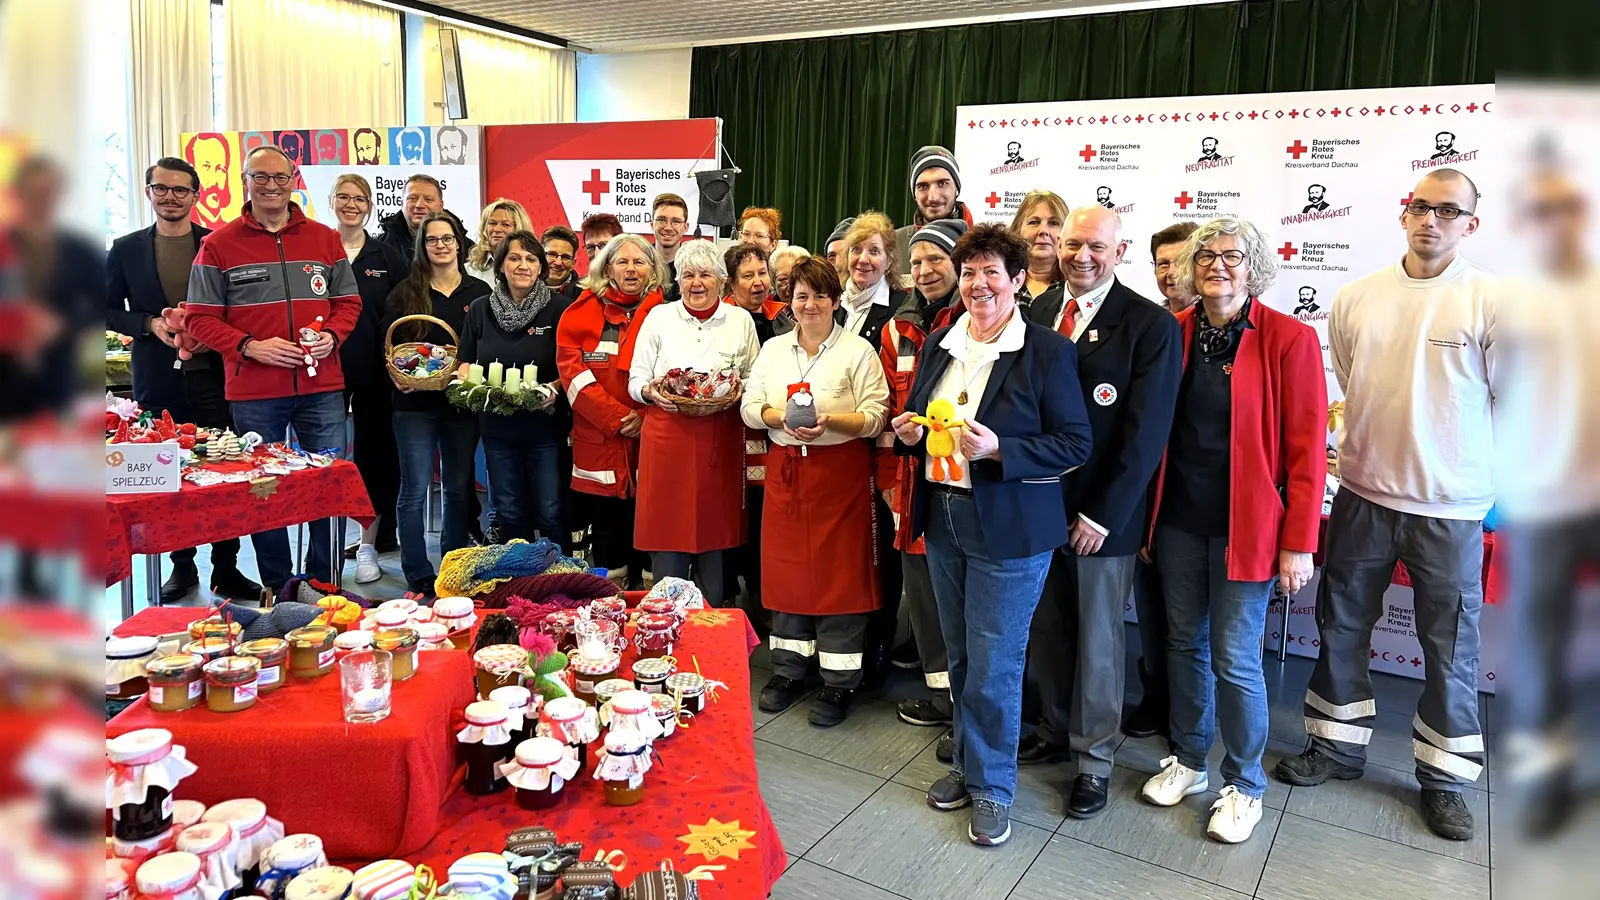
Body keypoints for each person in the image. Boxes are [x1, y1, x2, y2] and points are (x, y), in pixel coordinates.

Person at [1279, 168, 1495, 842]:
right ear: (1404, 214)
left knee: (1450, 646)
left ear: (1471, 224)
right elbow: (1352, 379)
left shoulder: (1493, 302)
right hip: (1364, 494)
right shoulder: (1357, 297)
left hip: (1450, 508)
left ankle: (1444, 779)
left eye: (1448, 210)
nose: (1431, 219)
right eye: (1420, 207)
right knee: (1342, 625)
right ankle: (1336, 748)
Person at [891, 223, 1092, 846]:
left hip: (1011, 526)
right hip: (945, 514)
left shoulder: (1046, 351)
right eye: (970, 273)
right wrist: (911, 433)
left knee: (996, 661)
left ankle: (993, 788)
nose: (979, 284)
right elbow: (928, 422)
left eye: (992, 273)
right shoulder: (942, 343)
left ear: (1016, 280)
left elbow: (1075, 443)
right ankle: (967, 760)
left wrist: (1001, 448)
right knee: (961, 654)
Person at [1139, 216, 1326, 844]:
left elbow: (1308, 451)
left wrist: (1298, 542)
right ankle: (1190, 759)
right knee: (1182, 644)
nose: (1217, 265)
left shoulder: (1289, 339)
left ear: (1254, 267)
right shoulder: (1172, 333)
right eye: (1206, 256)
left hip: (1249, 528)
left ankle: (1245, 784)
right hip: (1177, 520)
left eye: (1232, 256)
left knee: (1236, 656)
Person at [1020, 206, 1183, 821]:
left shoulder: (1148, 325)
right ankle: (1054, 727)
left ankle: (1093, 759)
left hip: (1100, 516)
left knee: (1098, 640)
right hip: (1035, 506)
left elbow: (1145, 437)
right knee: (1049, 627)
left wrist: (1102, 515)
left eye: (1095, 246)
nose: (1081, 256)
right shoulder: (1034, 310)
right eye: (1072, 244)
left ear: (1120, 251)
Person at [185, 145, 361, 592]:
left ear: (293, 182)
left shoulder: (325, 239)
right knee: (263, 489)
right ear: (245, 181)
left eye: (280, 177)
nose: (270, 186)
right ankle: (280, 587)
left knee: (327, 485)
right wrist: (250, 347)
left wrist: (332, 336)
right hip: (255, 392)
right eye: (260, 177)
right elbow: (199, 319)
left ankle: (325, 582)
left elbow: (348, 303)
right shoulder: (217, 245)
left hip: (322, 389)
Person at [106, 157, 260, 603]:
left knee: (225, 472)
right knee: (168, 475)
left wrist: (217, 336)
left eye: (180, 190)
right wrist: (149, 323)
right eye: (161, 188)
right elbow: (103, 307)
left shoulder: (218, 243)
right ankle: (181, 565)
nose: (170, 197)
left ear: (195, 195)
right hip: (158, 380)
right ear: (149, 192)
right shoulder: (126, 248)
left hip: (216, 377)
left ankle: (226, 568)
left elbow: (241, 306)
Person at [744, 256, 889, 726]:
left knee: (840, 577)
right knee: (786, 573)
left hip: (841, 476)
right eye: (801, 296)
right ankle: (788, 670)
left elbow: (876, 417)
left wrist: (831, 422)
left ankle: (839, 680)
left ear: (835, 300)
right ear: (789, 301)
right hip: (787, 472)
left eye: (820, 296)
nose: (810, 304)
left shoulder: (857, 352)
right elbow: (749, 406)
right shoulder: (773, 350)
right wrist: (778, 418)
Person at [877, 219, 966, 762]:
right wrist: (890, 482)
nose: (926, 270)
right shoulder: (896, 330)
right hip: (911, 487)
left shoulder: (979, 319)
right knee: (925, 600)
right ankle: (942, 696)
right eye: (917, 262)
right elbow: (890, 415)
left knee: (965, 603)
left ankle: (969, 707)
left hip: (966, 488)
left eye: (937, 259)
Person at [629, 240, 761, 604]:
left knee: (714, 537)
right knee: (666, 535)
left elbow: (755, 377)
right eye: (688, 275)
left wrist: (739, 389)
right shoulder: (659, 318)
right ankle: (664, 614)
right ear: (678, 280)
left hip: (720, 438)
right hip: (666, 439)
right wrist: (650, 391)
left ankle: (712, 616)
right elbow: (636, 380)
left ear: (721, 280)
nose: (696, 283)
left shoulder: (740, 321)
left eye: (705, 274)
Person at [1119, 219, 1201, 742]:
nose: (1170, 273)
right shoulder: (1147, 325)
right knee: (1150, 607)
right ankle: (1155, 694)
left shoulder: (1218, 331)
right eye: (1161, 263)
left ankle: (1190, 711)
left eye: (1180, 261)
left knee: (1193, 622)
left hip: (1194, 499)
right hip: (1145, 496)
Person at [379, 213, 488, 595]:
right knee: (414, 490)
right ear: (421, 247)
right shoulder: (406, 292)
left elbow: (485, 346)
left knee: (458, 490)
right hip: (413, 406)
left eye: (447, 238)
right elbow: (387, 344)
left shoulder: (478, 292)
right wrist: (395, 373)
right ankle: (418, 572)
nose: (440, 245)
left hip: (460, 406)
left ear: (459, 243)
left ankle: (452, 566)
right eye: (432, 240)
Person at [557, 232, 668, 588]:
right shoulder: (578, 315)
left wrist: (645, 417)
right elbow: (574, 377)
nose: (631, 269)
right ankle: (611, 600)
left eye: (639, 262)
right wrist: (618, 418)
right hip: (600, 441)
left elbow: (678, 374)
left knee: (652, 523)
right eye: (622, 261)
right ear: (607, 268)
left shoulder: (669, 315)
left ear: (653, 269)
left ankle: (652, 604)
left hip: (652, 438)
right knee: (605, 526)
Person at [460, 230, 573, 547]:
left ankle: (560, 572)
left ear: (540, 267)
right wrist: (471, 386)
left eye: (531, 259)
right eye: (514, 258)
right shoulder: (480, 309)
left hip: (545, 430)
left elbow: (572, 365)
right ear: (501, 265)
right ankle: (518, 573)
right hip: (497, 429)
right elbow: (465, 361)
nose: (523, 265)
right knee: (509, 512)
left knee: (551, 510)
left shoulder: (561, 309)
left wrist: (554, 388)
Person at [838, 211, 911, 683]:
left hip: (878, 451)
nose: (863, 259)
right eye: (857, 250)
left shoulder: (901, 310)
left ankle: (878, 645)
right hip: (833, 450)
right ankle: (840, 644)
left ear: (890, 260)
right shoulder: (830, 304)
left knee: (880, 552)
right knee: (844, 553)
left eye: (875, 251)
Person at [329, 173, 408, 581]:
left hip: (376, 375)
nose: (351, 205)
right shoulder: (317, 249)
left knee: (374, 459)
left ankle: (368, 546)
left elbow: (404, 316)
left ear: (370, 206)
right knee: (325, 460)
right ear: (331, 201)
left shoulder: (387, 256)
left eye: (359, 198)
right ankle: (323, 550)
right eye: (343, 196)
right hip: (324, 372)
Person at [721, 243, 787, 610]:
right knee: (730, 514)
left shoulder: (784, 318)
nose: (758, 282)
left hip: (772, 436)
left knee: (765, 517)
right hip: (729, 434)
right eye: (748, 276)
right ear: (731, 284)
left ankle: (764, 595)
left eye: (763, 273)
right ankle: (726, 593)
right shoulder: (721, 321)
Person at [894, 145, 974, 273]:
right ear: (914, 194)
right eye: (923, 186)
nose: (933, 197)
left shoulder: (984, 243)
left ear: (957, 188)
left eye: (942, 184)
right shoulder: (894, 244)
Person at [377, 174, 474, 264]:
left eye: (428, 199)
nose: (419, 205)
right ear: (402, 204)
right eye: (412, 198)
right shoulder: (382, 246)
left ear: (441, 206)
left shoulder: (468, 248)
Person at [1010, 190, 1069, 308]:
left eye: (1053, 223)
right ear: (1017, 230)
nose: (1043, 230)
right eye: (1034, 222)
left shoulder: (1076, 287)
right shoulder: (1001, 281)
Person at [466, 198, 532, 286]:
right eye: (492, 223)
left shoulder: (532, 267)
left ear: (519, 229)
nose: (497, 229)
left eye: (506, 224)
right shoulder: (470, 269)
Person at [1151, 221, 1201, 314]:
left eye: (1182, 262)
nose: (1171, 272)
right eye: (1163, 264)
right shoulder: (1148, 317)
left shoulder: (1217, 318)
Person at [651, 194, 690, 302]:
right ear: (652, 224)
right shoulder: (639, 262)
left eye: (676, 221)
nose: (668, 227)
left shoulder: (694, 265)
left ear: (685, 227)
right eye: (661, 220)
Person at [541, 225, 582, 301]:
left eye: (566, 257)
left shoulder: (583, 295)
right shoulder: (524, 289)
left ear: (573, 263)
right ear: (540, 256)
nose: (558, 262)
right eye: (552, 254)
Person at [580, 213, 625, 279]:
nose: (597, 254)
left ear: (619, 246)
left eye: (603, 245)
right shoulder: (578, 285)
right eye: (590, 247)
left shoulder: (632, 283)